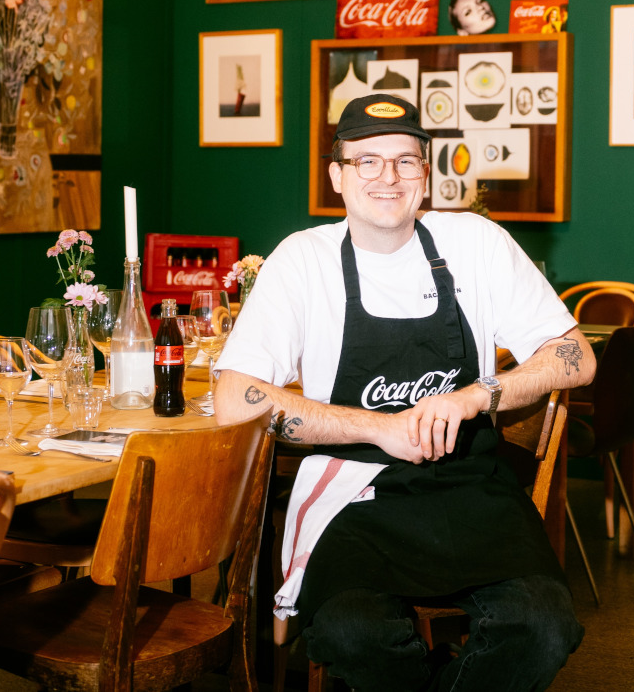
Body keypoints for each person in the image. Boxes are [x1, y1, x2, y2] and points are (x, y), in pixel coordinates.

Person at [214, 93, 596, 691]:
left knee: (544, 626)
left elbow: (576, 357)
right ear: (338, 176)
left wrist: (475, 396)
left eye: (405, 160)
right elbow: (234, 397)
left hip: (471, 486)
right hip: (352, 493)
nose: (387, 177)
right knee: (351, 633)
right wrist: (379, 427)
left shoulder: (476, 243)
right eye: (367, 160)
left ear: (425, 174)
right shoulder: (303, 261)